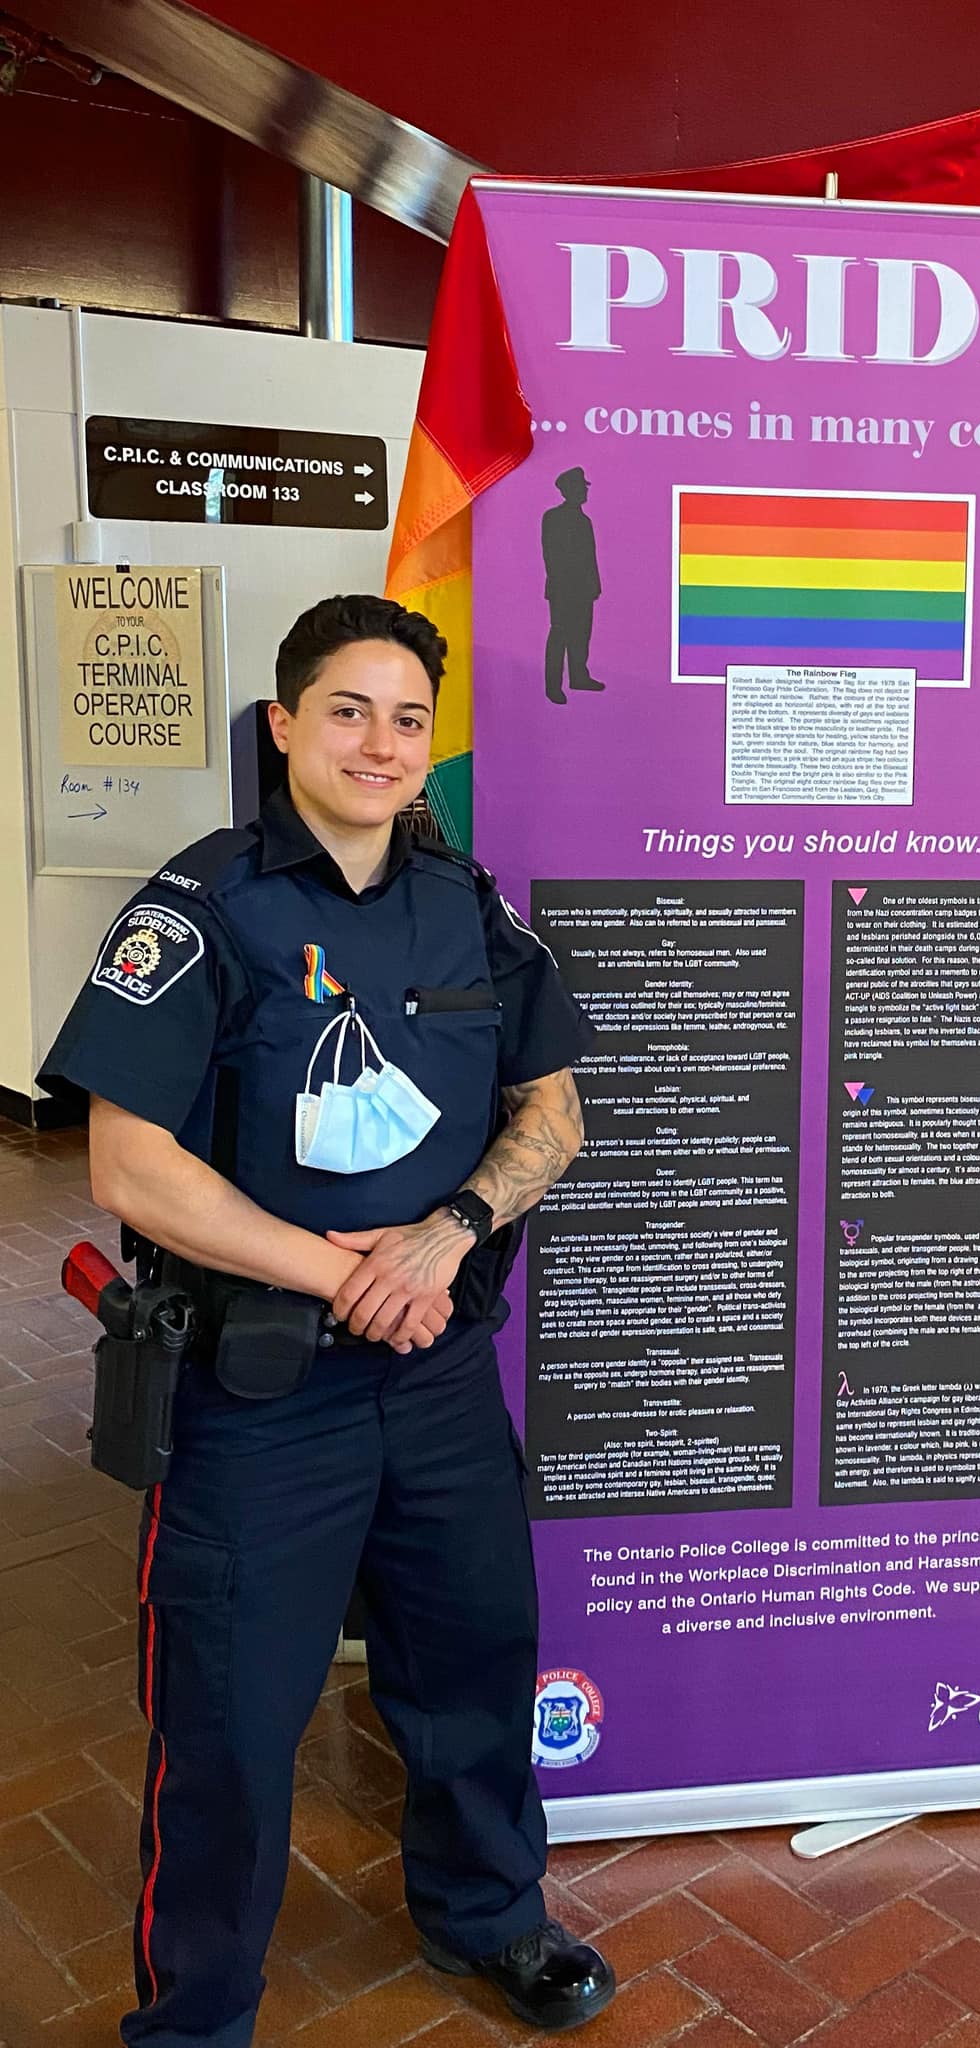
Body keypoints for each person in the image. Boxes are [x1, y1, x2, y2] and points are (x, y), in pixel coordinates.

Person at [38, 594, 616, 2045]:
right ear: (286, 725)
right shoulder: (202, 907)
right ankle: (198, 2013)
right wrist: (337, 1269)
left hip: (437, 1383)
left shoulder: (463, 902)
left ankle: (491, 1916)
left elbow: (554, 1111)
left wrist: (450, 1232)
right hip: (259, 1397)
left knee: (474, 1670)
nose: (379, 742)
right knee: (228, 1728)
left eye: (407, 717)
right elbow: (129, 1165)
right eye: (347, 710)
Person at [541, 466, 604, 703]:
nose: (585, 492)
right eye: (580, 487)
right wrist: (562, 584)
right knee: (560, 634)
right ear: (570, 490)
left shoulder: (584, 521)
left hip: (583, 589)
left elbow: (591, 556)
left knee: (582, 634)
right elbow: (551, 555)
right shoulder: (553, 518)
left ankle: (579, 676)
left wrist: (594, 584)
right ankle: (553, 686)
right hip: (563, 588)